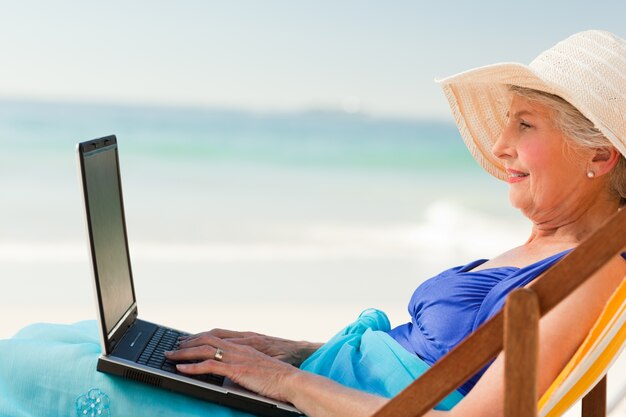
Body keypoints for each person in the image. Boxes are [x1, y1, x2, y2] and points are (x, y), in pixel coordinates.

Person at [0, 30, 624, 417]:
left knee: (21, 370)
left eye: (525, 125)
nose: (498, 147)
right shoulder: (548, 247)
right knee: (59, 337)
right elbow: (430, 356)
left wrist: (278, 379)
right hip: (307, 389)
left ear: (600, 155)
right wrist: (287, 351)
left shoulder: (589, 270)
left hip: (303, 406)